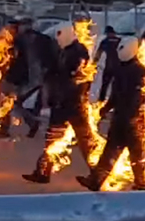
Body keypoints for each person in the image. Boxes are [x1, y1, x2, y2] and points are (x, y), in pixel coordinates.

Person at [24, 23, 97, 184]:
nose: (58, 40)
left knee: (85, 142)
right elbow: (59, 74)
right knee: (52, 138)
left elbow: (75, 76)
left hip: (74, 103)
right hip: (62, 102)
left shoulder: (78, 52)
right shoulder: (65, 51)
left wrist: (58, 77)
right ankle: (42, 172)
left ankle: (97, 173)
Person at [76, 37, 145, 192]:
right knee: (110, 150)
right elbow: (116, 93)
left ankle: (141, 184)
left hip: (132, 119)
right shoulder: (121, 68)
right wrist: (106, 108)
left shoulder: (138, 70)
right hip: (119, 117)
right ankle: (96, 180)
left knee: (136, 152)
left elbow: (137, 97)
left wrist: (132, 116)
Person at [0, 19, 40, 138]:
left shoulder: (15, 41)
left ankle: (4, 129)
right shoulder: (20, 40)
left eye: (9, 27)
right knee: (15, 103)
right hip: (17, 76)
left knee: (8, 101)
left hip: (14, 77)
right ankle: (31, 122)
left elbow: (12, 59)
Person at [94, 25, 121, 102]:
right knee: (117, 85)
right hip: (118, 66)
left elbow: (98, 53)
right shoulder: (119, 40)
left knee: (105, 85)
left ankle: (101, 100)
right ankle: (115, 101)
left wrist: (94, 62)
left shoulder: (105, 41)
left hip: (109, 66)